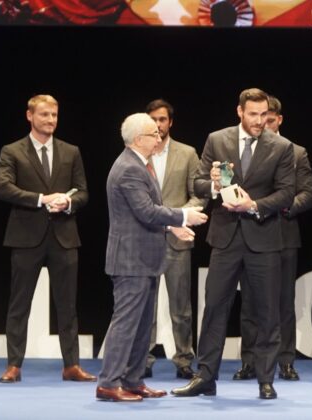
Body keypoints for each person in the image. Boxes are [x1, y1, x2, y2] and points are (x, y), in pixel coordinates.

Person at [171, 88, 295, 400]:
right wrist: (214, 185)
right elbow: (199, 183)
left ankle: (265, 379)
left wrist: (254, 205)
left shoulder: (281, 147)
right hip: (225, 238)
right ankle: (205, 377)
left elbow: (286, 193)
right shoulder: (217, 140)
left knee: (267, 312)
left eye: (263, 114)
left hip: (263, 239)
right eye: (253, 114)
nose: (259, 121)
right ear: (240, 112)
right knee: (214, 307)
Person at [96, 113, 208, 402]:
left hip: (144, 259)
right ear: (138, 139)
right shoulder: (129, 168)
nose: (159, 137)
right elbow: (146, 211)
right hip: (130, 260)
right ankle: (108, 383)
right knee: (126, 324)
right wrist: (183, 215)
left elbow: (142, 213)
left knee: (142, 326)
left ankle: (133, 380)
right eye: (153, 134)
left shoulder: (139, 164)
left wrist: (172, 227)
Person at [0, 94, 95, 384]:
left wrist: (68, 202)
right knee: (19, 304)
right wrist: (42, 199)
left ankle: (71, 365)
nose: (51, 120)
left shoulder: (71, 151)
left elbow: (83, 191)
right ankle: (14, 365)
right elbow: (3, 188)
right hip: (26, 237)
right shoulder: (12, 151)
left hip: (64, 236)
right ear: (30, 116)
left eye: (54, 115)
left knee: (67, 305)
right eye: (44, 115)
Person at [233, 95, 312, 382]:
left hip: (283, 234)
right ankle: (249, 361)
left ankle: (285, 361)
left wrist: (281, 206)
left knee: (283, 302)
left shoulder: (296, 152)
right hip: (250, 234)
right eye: (257, 118)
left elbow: (306, 194)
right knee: (250, 302)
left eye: (267, 119)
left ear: (278, 119)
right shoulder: (245, 149)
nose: (261, 124)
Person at [141, 99, 207, 380]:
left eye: (162, 119)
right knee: (145, 304)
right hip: (146, 237)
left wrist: (179, 217)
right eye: (153, 119)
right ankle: (142, 359)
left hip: (178, 240)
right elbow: (136, 199)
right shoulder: (138, 153)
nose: (158, 124)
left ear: (170, 122)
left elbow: (199, 194)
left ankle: (183, 359)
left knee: (181, 306)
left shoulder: (187, 153)